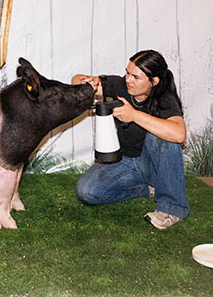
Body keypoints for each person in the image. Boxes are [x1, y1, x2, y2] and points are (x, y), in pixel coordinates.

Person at [72, 49, 189, 229]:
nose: (128, 79)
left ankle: (172, 209)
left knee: (163, 136)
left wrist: (134, 115)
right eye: (127, 73)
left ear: (154, 81)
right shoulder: (121, 86)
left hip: (152, 164)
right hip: (125, 161)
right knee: (87, 192)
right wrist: (89, 81)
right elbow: (75, 82)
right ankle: (146, 189)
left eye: (136, 77)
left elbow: (179, 134)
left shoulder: (164, 98)